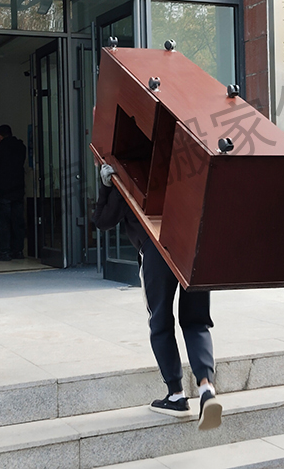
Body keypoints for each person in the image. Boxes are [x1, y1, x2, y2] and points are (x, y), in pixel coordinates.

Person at [92, 163, 223, 430]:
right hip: (193, 244)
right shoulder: (180, 167)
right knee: (196, 321)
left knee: (160, 322)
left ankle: (176, 395)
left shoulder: (128, 177)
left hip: (156, 249)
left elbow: (102, 221)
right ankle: (206, 388)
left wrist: (107, 186)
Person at [0, 124, 26, 261]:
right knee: (18, 223)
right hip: (18, 190)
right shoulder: (21, 147)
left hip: (3, 192)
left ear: (0, 136)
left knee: (3, 223)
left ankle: (4, 251)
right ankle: (18, 251)